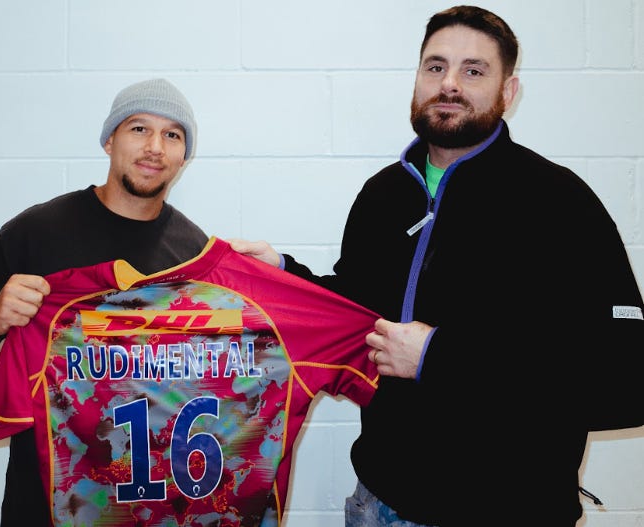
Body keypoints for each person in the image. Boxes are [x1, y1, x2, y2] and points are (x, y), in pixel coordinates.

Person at [229, 5, 644, 527]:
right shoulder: (382, 196)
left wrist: (437, 357)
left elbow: (626, 378)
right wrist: (284, 273)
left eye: (473, 70)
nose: (449, 83)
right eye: (435, 66)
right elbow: (361, 311)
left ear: (508, 91)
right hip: (377, 505)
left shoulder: (561, 202)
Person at [0, 78, 209, 526]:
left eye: (172, 135)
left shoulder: (195, 253)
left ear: (184, 156)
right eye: (139, 129)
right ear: (109, 140)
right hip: (45, 500)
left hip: (152, 502)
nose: (155, 148)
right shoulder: (36, 231)